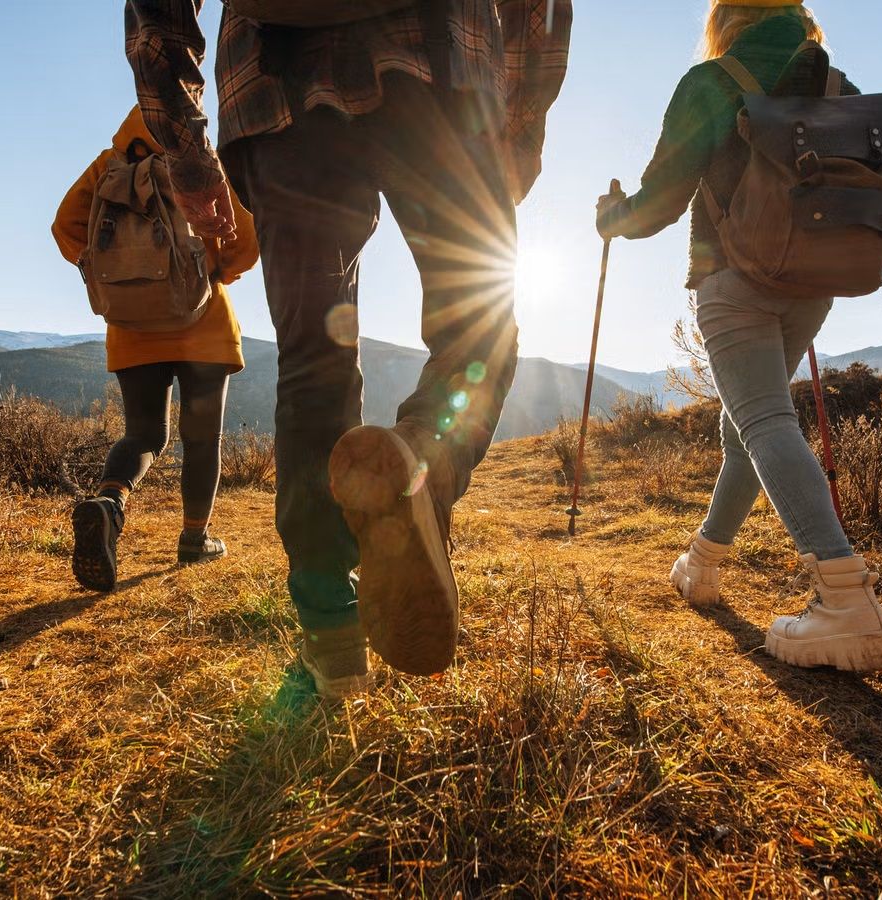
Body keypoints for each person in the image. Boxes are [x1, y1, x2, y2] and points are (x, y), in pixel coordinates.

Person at [124, 0, 572, 697]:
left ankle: (329, 622)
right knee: (479, 321)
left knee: (314, 356)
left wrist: (184, 143)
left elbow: (158, 11)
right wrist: (522, 121)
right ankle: (427, 458)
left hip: (274, 87)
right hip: (442, 67)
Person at [595, 0, 882, 672]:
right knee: (745, 428)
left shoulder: (712, 81)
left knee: (764, 421)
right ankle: (701, 564)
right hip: (814, 281)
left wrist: (609, 219)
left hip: (734, 277)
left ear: (728, 16)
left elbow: (658, 203)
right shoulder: (836, 84)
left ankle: (845, 599)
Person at [52, 106, 260, 592]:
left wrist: (112, 271)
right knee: (202, 438)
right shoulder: (204, 163)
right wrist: (214, 274)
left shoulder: (108, 165)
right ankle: (194, 538)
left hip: (131, 323)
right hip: (204, 323)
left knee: (144, 434)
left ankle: (110, 504)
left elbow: (65, 226)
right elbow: (247, 239)